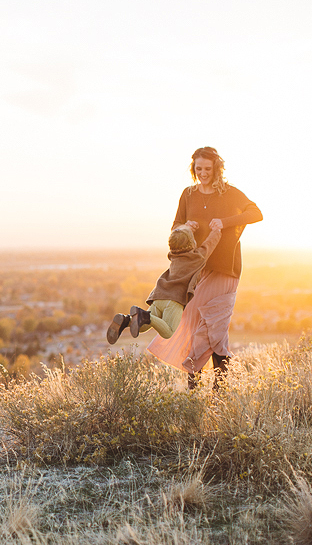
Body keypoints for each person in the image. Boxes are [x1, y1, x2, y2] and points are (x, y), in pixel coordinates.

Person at [146, 147, 262, 390]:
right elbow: (175, 225)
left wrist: (226, 222)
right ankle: (206, 391)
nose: (202, 173)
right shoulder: (188, 195)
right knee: (200, 324)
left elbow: (256, 213)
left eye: (207, 169)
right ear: (193, 169)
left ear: (217, 169)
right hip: (196, 268)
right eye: (198, 169)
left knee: (206, 321)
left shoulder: (230, 194)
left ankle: (205, 389)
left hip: (224, 269)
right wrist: (185, 226)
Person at [106, 220, 220, 344]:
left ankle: (125, 320)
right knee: (168, 331)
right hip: (173, 300)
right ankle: (145, 316)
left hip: (159, 296)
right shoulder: (197, 257)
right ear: (192, 243)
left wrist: (186, 228)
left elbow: (180, 240)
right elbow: (208, 245)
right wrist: (216, 231)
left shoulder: (173, 255)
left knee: (143, 327)